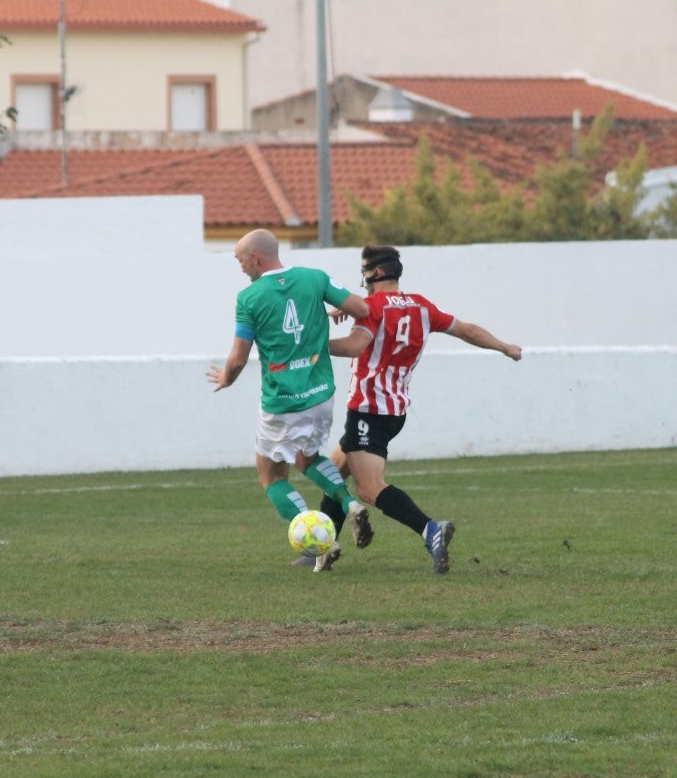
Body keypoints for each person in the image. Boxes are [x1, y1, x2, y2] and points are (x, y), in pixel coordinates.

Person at [327, 245, 522, 574]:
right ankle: (322, 546)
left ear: (375, 273)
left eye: (364, 272)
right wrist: (504, 346)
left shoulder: (371, 308)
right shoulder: (421, 306)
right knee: (333, 470)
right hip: (395, 410)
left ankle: (430, 529)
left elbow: (354, 346)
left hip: (369, 409)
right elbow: (466, 329)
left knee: (369, 488)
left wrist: (310, 344)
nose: (362, 279)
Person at [207, 229, 373, 572]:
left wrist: (226, 378)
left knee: (271, 478)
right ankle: (349, 504)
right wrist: (337, 311)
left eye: (240, 260)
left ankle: (321, 540)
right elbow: (360, 307)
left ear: (255, 258)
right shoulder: (315, 278)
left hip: (282, 403)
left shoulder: (249, 298)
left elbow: (238, 357)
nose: (240, 267)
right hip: (320, 394)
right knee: (306, 458)